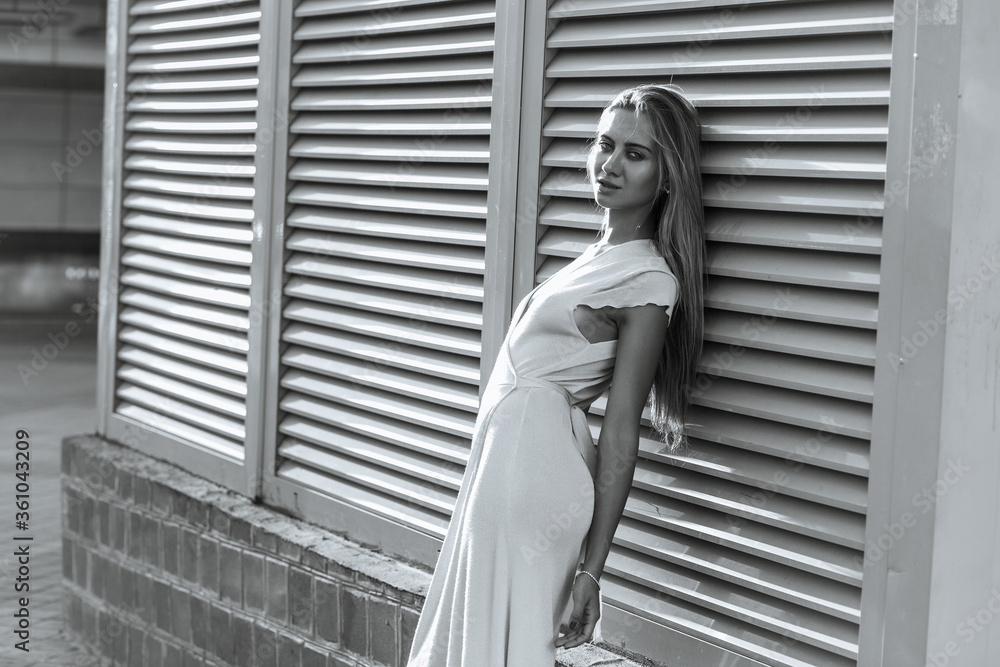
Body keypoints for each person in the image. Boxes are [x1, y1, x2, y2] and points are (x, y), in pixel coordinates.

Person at [406, 84, 705, 666]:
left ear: (668, 177)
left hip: (533, 479)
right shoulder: (597, 258)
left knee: (503, 647)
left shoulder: (648, 281)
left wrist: (593, 570)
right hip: (499, 470)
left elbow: (621, 432)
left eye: (635, 154)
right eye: (605, 144)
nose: (611, 164)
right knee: (474, 641)